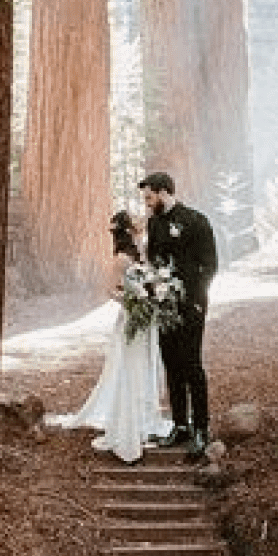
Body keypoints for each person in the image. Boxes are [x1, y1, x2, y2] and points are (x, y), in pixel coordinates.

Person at [50, 210, 172, 464]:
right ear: (128, 230)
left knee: (145, 368)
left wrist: (152, 296)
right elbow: (108, 290)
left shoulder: (140, 253)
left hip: (145, 321)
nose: (141, 225)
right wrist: (134, 300)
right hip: (132, 320)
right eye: (136, 223)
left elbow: (150, 278)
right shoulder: (121, 260)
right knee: (131, 369)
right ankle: (128, 423)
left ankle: (145, 416)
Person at [140, 170, 218, 455]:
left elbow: (210, 265)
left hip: (192, 305)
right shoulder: (153, 224)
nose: (147, 203)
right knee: (171, 365)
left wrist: (195, 297)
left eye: (149, 197)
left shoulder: (196, 221)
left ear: (163, 192)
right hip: (164, 307)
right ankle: (180, 425)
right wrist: (152, 289)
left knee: (192, 366)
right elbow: (153, 262)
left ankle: (201, 428)